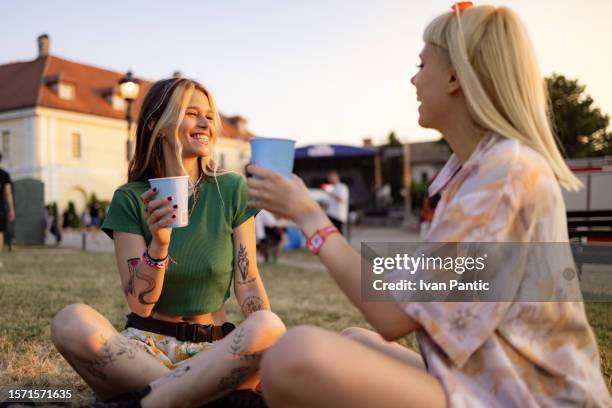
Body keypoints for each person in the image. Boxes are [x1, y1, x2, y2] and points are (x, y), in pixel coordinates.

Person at [246, 4, 610, 407]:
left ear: (455, 76)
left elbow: (392, 317)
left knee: (294, 356)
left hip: (531, 399)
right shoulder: (481, 170)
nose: (414, 79)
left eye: (422, 64)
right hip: (496, 380)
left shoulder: (504, 177)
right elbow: (403, 293)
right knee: (353, 340)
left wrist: (309, 216)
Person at [50, 78, 285, 407]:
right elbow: (140, 305)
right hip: (144, 352)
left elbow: (248, 283)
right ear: (156, 126)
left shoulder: (231, 188)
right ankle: (200, 397)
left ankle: (153, 400)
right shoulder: (130, 198)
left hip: (216, 351)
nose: (205, 122)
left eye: (209, 115)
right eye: (191, 113)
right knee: (70, 322)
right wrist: (159, 243)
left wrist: (267, 349)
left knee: (269, 325)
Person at [0, 152, 15, 254]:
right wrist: (11, 209)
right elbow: (8, 193)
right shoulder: (4, 174)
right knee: (0, 233)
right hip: (0, 209)